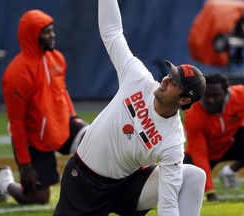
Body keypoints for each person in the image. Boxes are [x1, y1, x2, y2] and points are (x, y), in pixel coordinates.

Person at [53, 0, 207, 215]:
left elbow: (168, 202)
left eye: (174, 82)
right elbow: (112, 33)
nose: (165, 80)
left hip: (126, 186)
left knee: (194, 176)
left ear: (183, 101)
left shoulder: (173, 141)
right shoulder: (138, 79)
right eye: (170, 74)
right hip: (84, 181)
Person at [0, 9, 89, 205]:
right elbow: (16, 123)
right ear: (32, 35)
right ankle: (5, 184)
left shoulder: (57, 58)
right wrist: (25, 165)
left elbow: (62, 92)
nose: (52, 35)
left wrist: (73, 116)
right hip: (33, 138)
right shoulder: (16, 74)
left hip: (61, 123)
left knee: (94, 139)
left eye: (52, 30)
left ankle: (100, 189)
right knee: (39, 198)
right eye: (46, 32)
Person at [184, 73, 244, 201]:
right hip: (206, 152)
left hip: (230, 144)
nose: (211, 100)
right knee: (182, 176)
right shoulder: (194, 112)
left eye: (216, 95)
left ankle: (230, 171)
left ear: (226, 93)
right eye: (207, 95)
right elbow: (199, 153)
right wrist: (210, 193)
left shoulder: (240, 95)